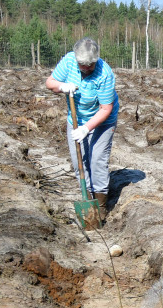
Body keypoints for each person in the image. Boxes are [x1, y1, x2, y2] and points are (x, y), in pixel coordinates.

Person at [45, 37, 120, 222]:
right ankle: (87, 198)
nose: (86, 68)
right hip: (76, 119)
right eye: (82, 65)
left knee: (96, 161)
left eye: (90, 65)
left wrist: (87, 128)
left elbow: (106, 108)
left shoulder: (105, 74)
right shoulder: (69, 60)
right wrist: (62, 86)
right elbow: (50, 82)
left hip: (102, 120)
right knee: (79, 161)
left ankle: (101, 206)